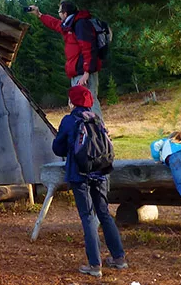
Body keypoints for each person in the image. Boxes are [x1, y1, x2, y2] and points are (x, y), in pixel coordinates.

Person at [52, 85, 127, 278]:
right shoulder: (97, 119)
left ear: (72, 102)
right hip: (100, 173)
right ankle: (119, 258)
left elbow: (57, 148)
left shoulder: (70, 120)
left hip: (79, 175)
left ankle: (95, 265)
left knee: (87, 217)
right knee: (104, 213)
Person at [27, 1, 103, 118]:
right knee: (78, 104)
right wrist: (39, 15)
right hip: (77, 72)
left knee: (90, 101)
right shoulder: (70, 25)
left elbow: (88, 48)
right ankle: (86, 133)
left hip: (83, 73)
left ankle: (99, 132)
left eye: (59, 12)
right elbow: (55, 24)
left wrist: (87, 72)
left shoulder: (80, 25)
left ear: (65, 13)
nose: (59, 15)